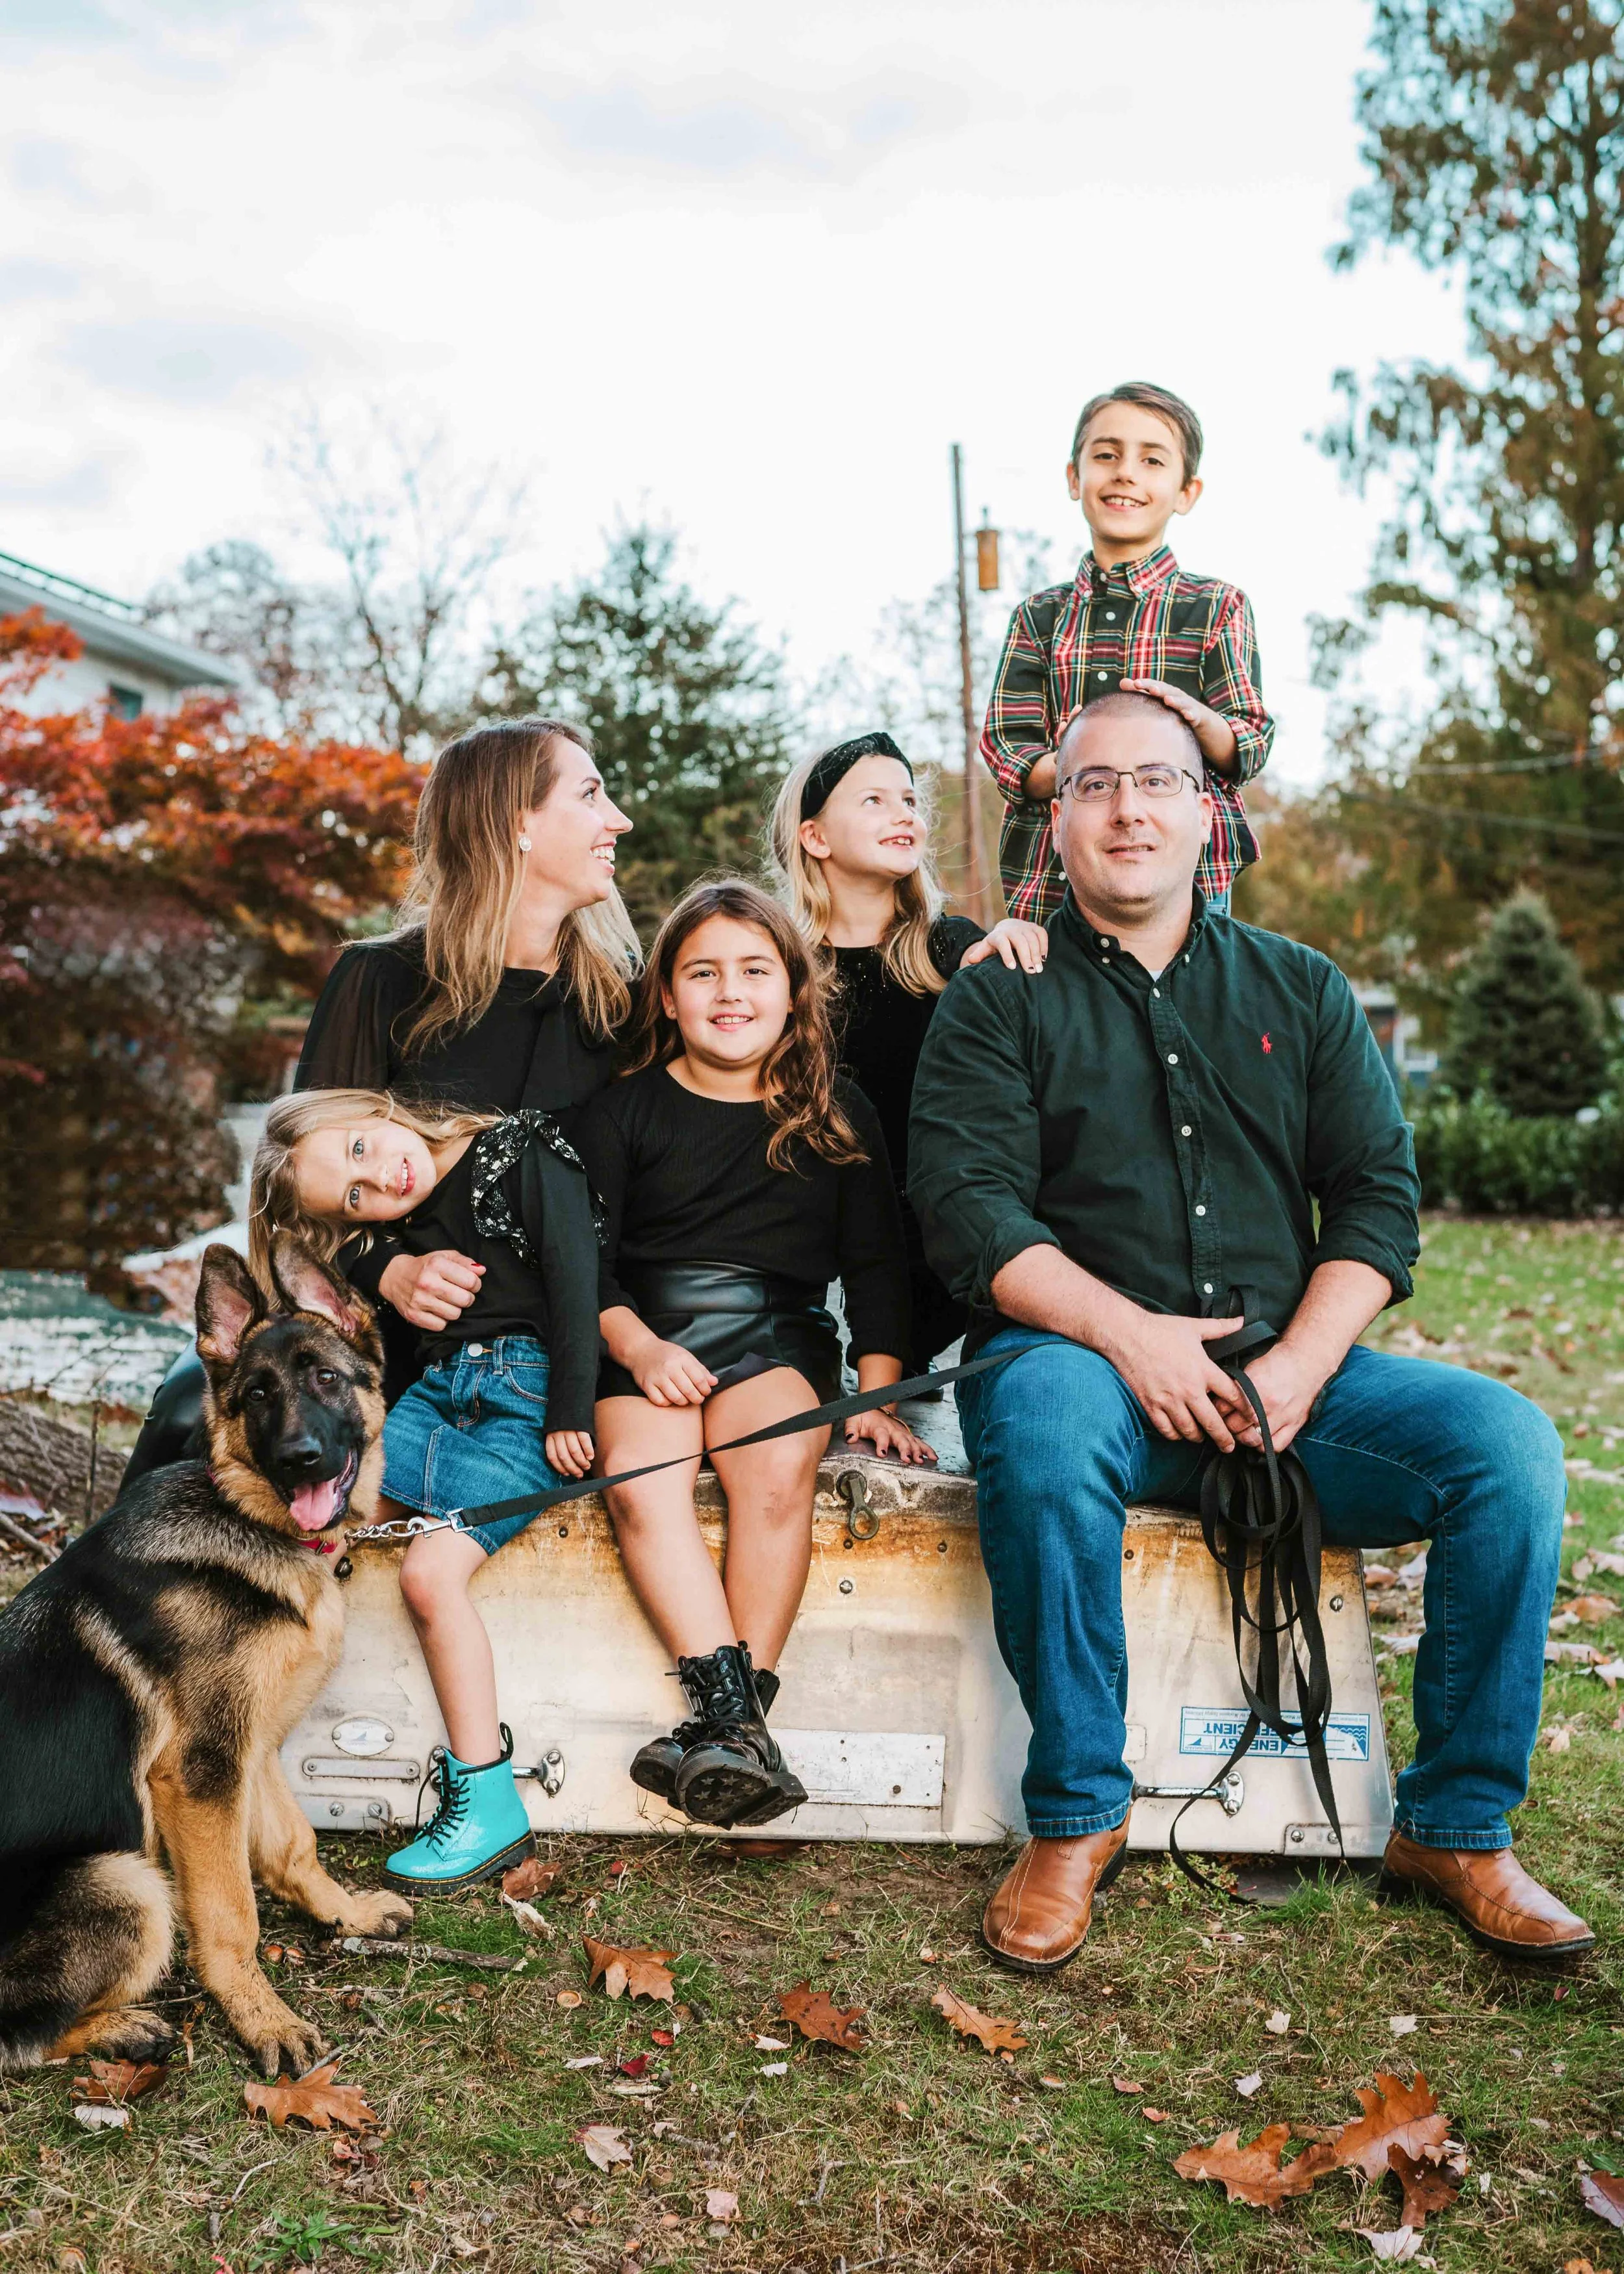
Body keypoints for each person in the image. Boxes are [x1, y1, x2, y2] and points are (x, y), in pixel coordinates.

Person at [910, 689, 1590, 1973]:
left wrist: (1297, 1367)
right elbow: (968, 1212)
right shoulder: (1000, 997)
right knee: (1044, 1418)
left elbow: (1377, 1201)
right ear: (1057, 822)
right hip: (1082, 1373)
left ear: (1205, 811)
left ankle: (1455, 1827)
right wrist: (1133, 1338)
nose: (1127, 808)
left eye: (1156, 781)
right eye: (1095, 784)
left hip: (1286, 1384)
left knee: (1505, 1449)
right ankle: (1076, 1814)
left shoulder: (1301, 986)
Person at [119, 717, 635, 1476]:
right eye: (590, 795)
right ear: (513, 823)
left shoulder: (619, 1002)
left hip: (575, 1337)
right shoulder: (381, 980)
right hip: (392, 1341)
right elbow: (304, 1184)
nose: (618, 819)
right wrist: (390, 1270)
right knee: (187, 1414)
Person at [572, 880, 932, 1830]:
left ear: (793, 988)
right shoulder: (622, 1112)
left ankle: (727, 1730)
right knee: (640, 1483)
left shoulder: (836, 1110)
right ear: (666, 995)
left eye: (754, 971)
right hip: (645, 1332)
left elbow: (878, 1268)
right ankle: (739, 1732)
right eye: (703, 974)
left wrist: (876, 1395)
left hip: (776, 1337)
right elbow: (584, 1265)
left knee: (774, 1471)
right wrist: (639, 1346)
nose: (729, 992)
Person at [249, 1085, 601, 1892]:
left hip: (526, 1400)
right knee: (303, 1525)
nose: (382, 1178)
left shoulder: (519, 1150)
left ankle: (487, 1801)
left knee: (428, 1573)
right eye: (355, 1195)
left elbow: (578, 1279)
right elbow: (333, 1264)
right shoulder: (393, 1231)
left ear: (372, 1106)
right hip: (437, 1396)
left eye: (361, 1149)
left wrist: (572, 1410)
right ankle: (247, 1743)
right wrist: (379, 1256)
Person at [770, 730, 1048, 1376]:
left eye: (909, 800)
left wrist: (1012, 940)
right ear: (815, 836)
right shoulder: (777, 965)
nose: (904, 814)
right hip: (809, 1237)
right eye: (873, 800)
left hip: (934, 1238)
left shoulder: (952, 950)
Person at [980, 380, 1273, 926]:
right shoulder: (1038, 617)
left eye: (1152, 460)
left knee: (1183, 980)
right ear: (1075, 478)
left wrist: (1198, 722)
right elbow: (1007, 747)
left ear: (1186, 492)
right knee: (1051, 986)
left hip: (1187, 886)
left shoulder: (1216, 607)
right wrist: (1078, 767)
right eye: (1107, 455)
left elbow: (1249, 740)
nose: (1126, 473)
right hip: (1053, 886)